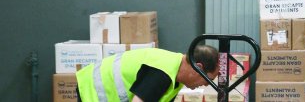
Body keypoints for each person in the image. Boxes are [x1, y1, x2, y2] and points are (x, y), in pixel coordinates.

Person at [76, 45, 219, 102]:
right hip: (93, 91)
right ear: (198, 67)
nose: (206, 85)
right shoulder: (162, 73)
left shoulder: (176, 77)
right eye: (208, 80)